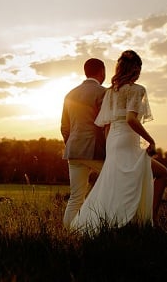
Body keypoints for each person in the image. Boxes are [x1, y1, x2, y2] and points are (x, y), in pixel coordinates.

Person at [70, 50, 167, 234]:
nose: (139, 72)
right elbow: (131, 119)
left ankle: (124, 222)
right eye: (139, 68)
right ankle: (151, 222)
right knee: (162, 173)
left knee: (118, 182)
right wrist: (151, 140)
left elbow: (106, 125)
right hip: (126, 140)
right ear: (135, 69)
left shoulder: (111, 92)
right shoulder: (137, 90)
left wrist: (110, 147)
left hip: (114, 142)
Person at [61, 58, 107, 227]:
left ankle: (68, 234)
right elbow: (105, 124)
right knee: (113, 184)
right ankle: (103, 226)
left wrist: (72, 143)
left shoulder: (69, 94)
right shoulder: (103, 92)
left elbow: (64, 127)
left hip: (73, 151)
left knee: (75, 197)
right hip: (94, 150)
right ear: (101, 71)